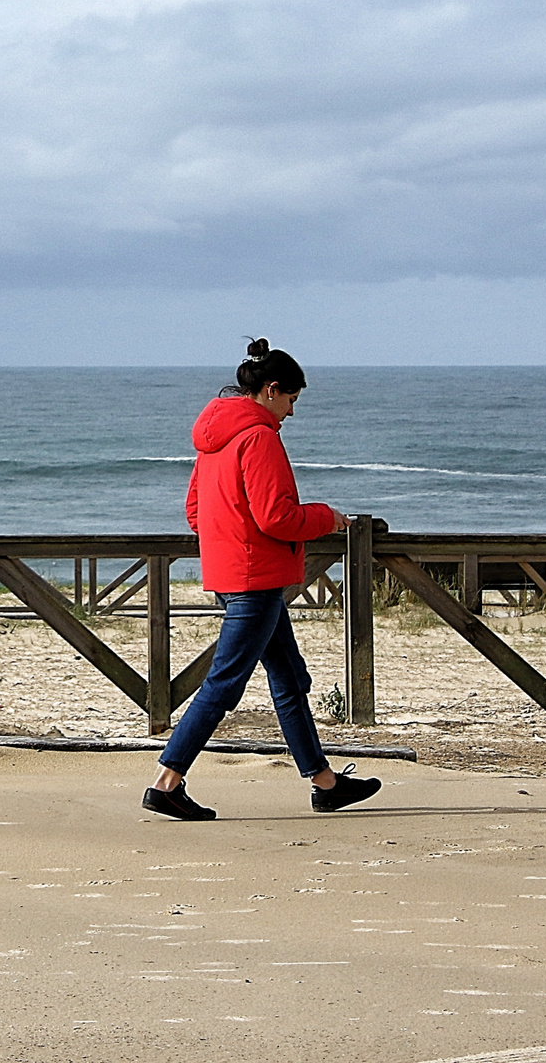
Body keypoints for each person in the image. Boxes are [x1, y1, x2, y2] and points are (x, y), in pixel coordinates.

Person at [143, 338, 382, 821]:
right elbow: (277, 517)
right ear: (271, 390)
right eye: (292, 399)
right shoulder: (259, 437)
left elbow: (195, 512)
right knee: (224, 684)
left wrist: (231, 540)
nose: (293, 412)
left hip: (238, 574)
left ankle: (326, 783)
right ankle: (166, 783)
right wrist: (327, 518)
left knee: (289, 678)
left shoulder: (215, 438)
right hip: (255, 579)